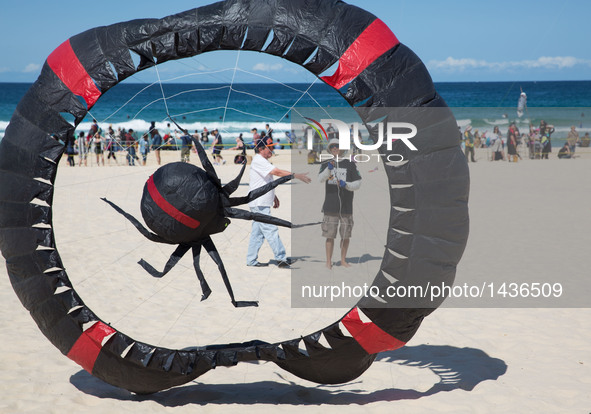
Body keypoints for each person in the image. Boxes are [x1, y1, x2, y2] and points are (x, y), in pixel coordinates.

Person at [246, 136, 311, 268]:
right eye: (269, 147)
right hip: (259, 203)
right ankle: (281, 259)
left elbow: (267, 180)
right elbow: (277, 172)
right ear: (261, 149)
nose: (272, 149)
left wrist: (273, 197)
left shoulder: (263, 161)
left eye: (272, 146)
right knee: (271, 229)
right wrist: (295, 175)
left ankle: (251, 260)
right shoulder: (259, 160)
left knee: (257, 234)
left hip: (261, 202)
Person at [318, 139, 362, 268]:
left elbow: (358, 183)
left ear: (342, 148)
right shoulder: (326, 163)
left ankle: (343, 260)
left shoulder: (350, 164)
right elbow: (320, 179)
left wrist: (346, 184)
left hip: (346, 207)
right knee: (329, 235)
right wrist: (328, 170)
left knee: (345, 236)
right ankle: (328, 261)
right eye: (332, 147)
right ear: (330, 149)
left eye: (337, 146)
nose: (335, 148)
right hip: (330, 206)